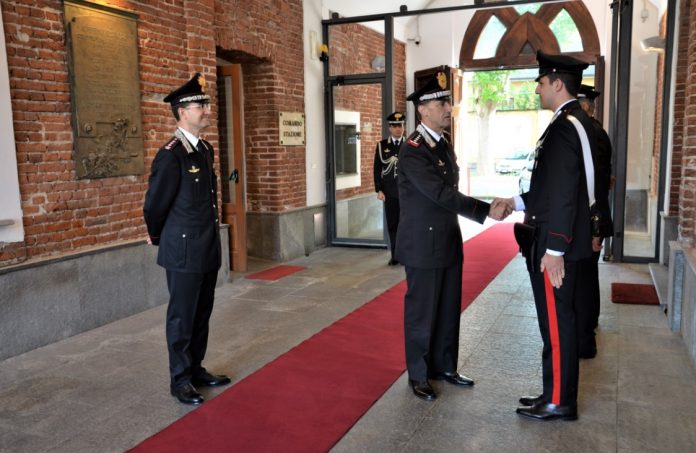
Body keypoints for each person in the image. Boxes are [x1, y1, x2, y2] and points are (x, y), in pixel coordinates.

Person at [493, 51, 596, 420]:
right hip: (563, 240)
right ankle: (553, 392)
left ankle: (559, 401)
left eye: (540, 82)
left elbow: (566, 195)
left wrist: (554, 249)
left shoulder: (565, 127)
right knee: (557, 323)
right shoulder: (573, 123)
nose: (536, 89)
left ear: (556, 83)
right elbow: (552, 188)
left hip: (557, 248)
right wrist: (516, 201)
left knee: (556, 324)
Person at [396, 71, 509, 401]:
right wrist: (485, 209)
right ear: (423, 110)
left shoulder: (442, 144)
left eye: (449, 102)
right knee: (422, 311)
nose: (449, 108)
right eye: (442, 103)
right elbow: (440, 194)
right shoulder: (414, 149)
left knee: (447, 307)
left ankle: (444, 366)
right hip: (422, 244)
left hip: (446, 239)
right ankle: (419, 373)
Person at [144, 73, 231, 405]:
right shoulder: (171, 154)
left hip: (206, 244)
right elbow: (155, 204)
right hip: (182, 248)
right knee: (182, 315)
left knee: (201, 313)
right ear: (182, 111)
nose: (207, 110)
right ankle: (179, 380)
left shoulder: (205, 148)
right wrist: (157, 236)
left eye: (205, 104)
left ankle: (195, 369)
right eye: (200, 105)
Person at [575, 84, 614, 358]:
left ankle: (585, 337)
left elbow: (597, 186)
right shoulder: (592, 130)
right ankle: (588, 327)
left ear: (587, 105)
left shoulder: (594, 134)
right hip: (591, 219)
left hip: (591, 219)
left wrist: (596, 227)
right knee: (587, 277)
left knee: (585, 279)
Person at [374, 111, 405, 265]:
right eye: (395, 126)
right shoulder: (382, 146)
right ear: (390, 128)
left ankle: (405, 255)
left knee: (406, 226)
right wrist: (378, 189)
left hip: (407, 194)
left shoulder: (410, 145)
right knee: (392, 225)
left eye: (401, 125)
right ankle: (395, 256)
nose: (399, 129)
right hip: (390, 193)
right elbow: (377, 169)